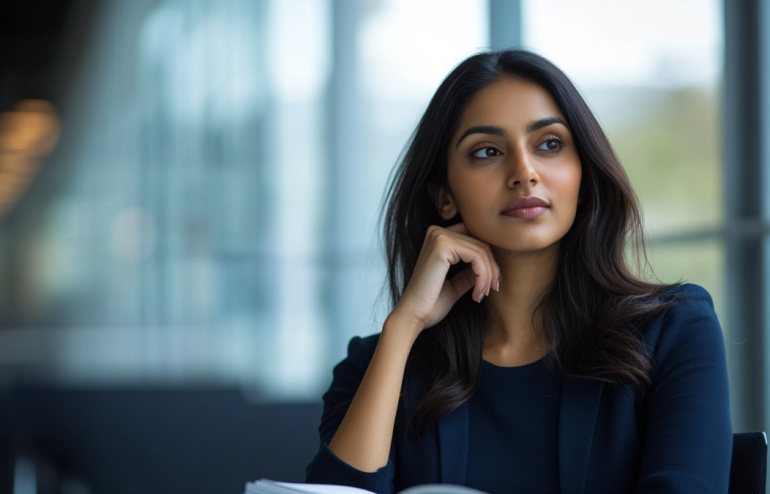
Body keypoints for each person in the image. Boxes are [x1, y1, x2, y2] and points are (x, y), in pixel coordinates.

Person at [305, 49, 732, 494]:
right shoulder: (374, 367)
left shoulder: (675, 331)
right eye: (487, 151)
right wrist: (403, 327)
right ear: (444, 196)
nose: (524, 173)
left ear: (582, 176)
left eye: (549, 144)